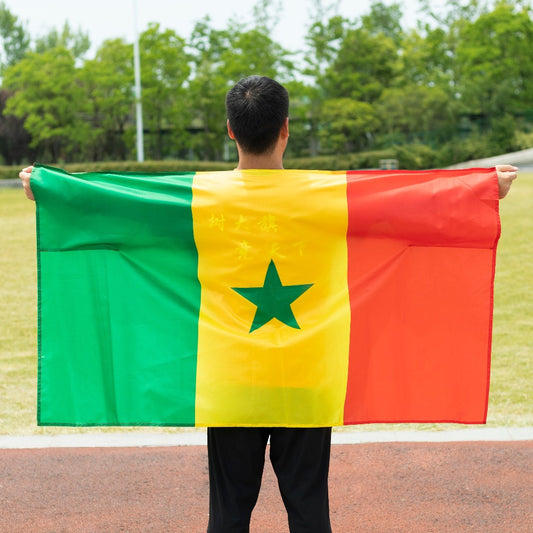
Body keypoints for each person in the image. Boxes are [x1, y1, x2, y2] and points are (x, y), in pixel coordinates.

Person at [19, 75, 518, 533]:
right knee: (308, 511)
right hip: (306, 378)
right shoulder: (326, 195)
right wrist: (481, 189)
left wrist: (47, 187)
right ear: (286, 129)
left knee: (229, 515)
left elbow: (121, 204)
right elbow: (408, 204)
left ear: (230, 131)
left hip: (231, 381)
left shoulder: (200, 197)